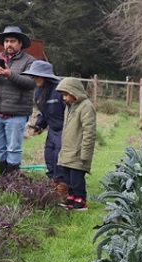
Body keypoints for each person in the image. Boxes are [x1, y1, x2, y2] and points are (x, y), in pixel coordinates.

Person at [0, 25, 36, 175]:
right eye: (6, 41)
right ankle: (4, 177)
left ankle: (12, 181)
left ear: (20, 43)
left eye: (12, 41)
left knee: (13, 148)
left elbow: (31, 82)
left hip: (16, 113)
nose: (8, 44)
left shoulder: (29, 61)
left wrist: (10, 74)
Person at [21, 60, 65, 188]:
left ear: (46, 76)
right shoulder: (38, 92)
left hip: (65, 129)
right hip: (52, 130)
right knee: (49, 157)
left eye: (37, 76)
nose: (34, 79)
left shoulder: (60, 90)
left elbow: (71, 112)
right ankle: (53, 184)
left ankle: (63, 187)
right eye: (33, 76)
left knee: (60, 158)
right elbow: (44, 112)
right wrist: (40, 125)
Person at [55, 77, 96, 211]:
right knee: (69, 178)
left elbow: (89, 132)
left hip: (78, 151)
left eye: (66, 95)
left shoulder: (86, 107)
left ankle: (81, 200)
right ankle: (72, 198)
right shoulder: (69, 107)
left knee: (77, 178)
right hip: (68, 150)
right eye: (63, 96)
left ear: (74, 92)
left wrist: (85, 153)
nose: (64, 98)